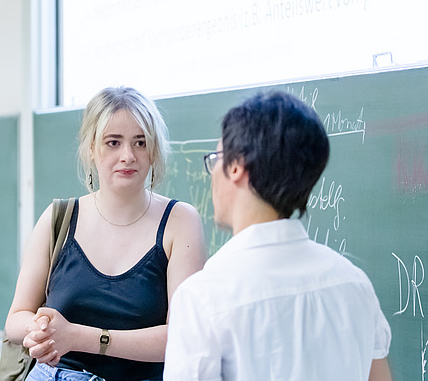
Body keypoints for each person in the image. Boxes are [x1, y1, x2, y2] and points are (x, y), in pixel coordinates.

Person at [163, 90, 393, 381]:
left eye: (217, 158)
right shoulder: (355, 283)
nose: (213, 173)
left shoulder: (203, 298)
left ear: (236, 167)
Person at [5, 86, 207, 381]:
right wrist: (41, 331)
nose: (128, 155)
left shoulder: (180, 222)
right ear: (91, 148)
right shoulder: (58, 218)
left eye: (140, 142)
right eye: (113, 142)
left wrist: (78, 337)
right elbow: (16, 319)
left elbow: (183, 336)